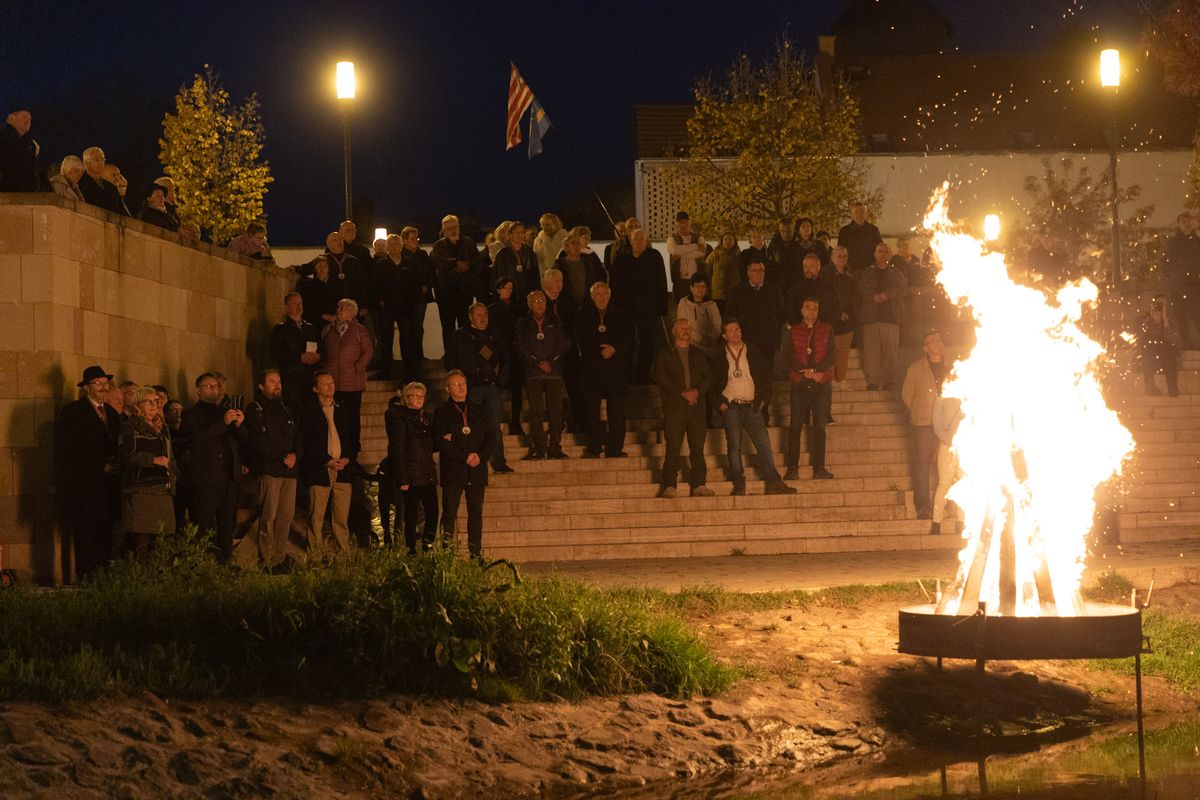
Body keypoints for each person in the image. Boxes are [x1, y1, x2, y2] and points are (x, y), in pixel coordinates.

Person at [711, 319, 796, 496]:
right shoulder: (718, 355)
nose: (736, 332)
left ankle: (774, 481)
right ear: (724, 335)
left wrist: (763, 399)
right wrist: (719, 403)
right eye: (732, 330)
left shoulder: (752, 351)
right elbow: (711, 383)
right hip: (731, 405)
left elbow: (765, 376)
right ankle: (739, 482)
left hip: (751, 405)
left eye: (738, 329)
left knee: (764, 443)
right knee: (734, 446)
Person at [55, 365, 121, 581]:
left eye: (106, 383)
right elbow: (70, 450)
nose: (103, 387)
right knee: (86, 532)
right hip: (86, 485)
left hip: (109, 486)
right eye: (98, 383)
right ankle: (86, 578)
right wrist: (99, 465)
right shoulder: (73, 412)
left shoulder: (111, 412)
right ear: (86, 388)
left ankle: (103, 576)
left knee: (106, 531)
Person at [181, 371, 248, 562]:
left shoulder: (224, 412)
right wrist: (223, 423)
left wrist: (239, 425)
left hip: (229, 478)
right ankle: (203, 564)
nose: (214, 390)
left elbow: (244, 440)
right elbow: (196, 438)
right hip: (207, 479)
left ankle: (225, 563)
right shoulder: (191, 414)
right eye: (208, 386)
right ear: (198, 391)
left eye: (216, 386)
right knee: (204, 525)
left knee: (228, 525)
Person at [444, 302, 513, 473]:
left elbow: (506, 360)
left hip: (491, 388)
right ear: (470, 316)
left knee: (494, 427)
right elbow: (450, 361)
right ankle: (471, 462)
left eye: (485, 315)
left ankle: (499, 462)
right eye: (479, 315)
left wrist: (500, 384)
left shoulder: (495, 336)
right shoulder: (459, 336)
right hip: (470, 389)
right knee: (470, 427)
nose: (483, 318)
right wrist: (459, 384)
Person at [433, 370, 495, 558]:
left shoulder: (479, 410)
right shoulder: (441, 412)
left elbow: (491, 437)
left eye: (464, 383)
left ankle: (475, 554)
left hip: (476, 469)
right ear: (447, 388)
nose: (461, 387)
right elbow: (440, 441)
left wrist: (481, 456)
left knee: (475, 513)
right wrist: (463, 456)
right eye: (456, 384)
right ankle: (446, 554)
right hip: (454, 470)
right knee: (449, 513)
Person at [244, 369, 300, 568]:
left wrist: (294, 455)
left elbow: (296, 437)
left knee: (286, 515)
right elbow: (259, 441)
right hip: (270, 469)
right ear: (261, 385)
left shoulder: (286, 408)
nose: (277, 384)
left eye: (279, 380)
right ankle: (267, 559)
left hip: (289, 471)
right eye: (272, 381)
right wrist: (280, 457)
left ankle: (280, 556)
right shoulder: (255, 408)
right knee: (269, 515)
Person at [653, 318, 714, 498]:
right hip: (675, 407)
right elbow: (661, 376)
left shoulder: (699, 354)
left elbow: (708, 378)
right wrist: (683, 392)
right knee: (673, 446)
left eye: (688, 327)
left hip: (696, 408)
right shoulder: (664, 354)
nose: (686, 330)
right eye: (682, 327)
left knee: (697, 447)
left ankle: (699, 484)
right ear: (674, 331)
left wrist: (696, 392)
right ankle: (670, 485)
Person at [116, 387, 178, 558]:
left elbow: (170, 456)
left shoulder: (162, 428)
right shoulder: (130, 427)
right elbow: (125, 455)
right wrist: (153, 460)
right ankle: (139, 576)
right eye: (148, 402)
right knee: (141, 537)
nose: (153, 405)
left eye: (156, 401)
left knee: (164, 537)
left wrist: (173, 474)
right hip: (141, 488)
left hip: (163, 488)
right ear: (137, 405)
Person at [300, 372, 356, 556]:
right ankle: (315, 554)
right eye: (325, 384)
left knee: (341, 517)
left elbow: (353, 439)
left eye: (332, 382)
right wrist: (326, 460)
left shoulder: (343, 410)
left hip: (343, 470)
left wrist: (347, 458)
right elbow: (306, 442)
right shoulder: (308, 412)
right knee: (316, 516)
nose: (330, 386)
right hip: (320, 470)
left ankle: (342, 553)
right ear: (315, 388)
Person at [576, 281, 631, 458]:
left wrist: (613, 348)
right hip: (593, 369)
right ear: (592, 297)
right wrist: (599, 351)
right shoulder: (583, 315)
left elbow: (628, 337)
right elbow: (580, 338)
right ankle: (594, 446)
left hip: (615, 370)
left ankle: (615, 447)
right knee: (592, 410)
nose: (602, 298)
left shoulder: (620, 315)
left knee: (617, 410)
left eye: (605, 294)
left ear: (610, 295)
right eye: (598, 294)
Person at [384, 381, 439, 552]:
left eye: (421, 396)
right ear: (406, 398)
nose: (419, 399)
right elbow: (397, 450)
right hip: (411, 475)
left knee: (433, 512)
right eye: (415, 395)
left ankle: (428, 546)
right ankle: (411, 549)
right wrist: (402, 478)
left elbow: (430, 445)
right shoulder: (401, 420)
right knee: (411, 514)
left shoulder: (425, 420)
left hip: (427, 473)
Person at [784, 298, 836, 480]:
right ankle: (792, 468)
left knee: (820, 427)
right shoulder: (794, 331)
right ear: (801, 310)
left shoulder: (827, 329)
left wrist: (816, 373)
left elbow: (831, 355)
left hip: (819, 382)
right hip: (800, 382)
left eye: (815, 308)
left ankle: (819, 468)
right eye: (808, 308)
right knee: (795, 426)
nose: (812, 311)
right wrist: (804, 372)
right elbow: (788, 357)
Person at [515, 290, 570, 459]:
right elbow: (520, 347)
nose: (540, 302)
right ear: (529, 304)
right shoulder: (523, 323)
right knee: (535, 412)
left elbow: (563, 344)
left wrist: (550, 362)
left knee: (556, 411)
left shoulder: (555, 320)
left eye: (542, 300)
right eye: (536, 300)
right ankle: (539, 448)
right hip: (533, 373)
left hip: (553, 373)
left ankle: (555, 447)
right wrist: (538, 362)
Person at [610, 228, 669, 384]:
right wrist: (615, 308)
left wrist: (662, 307)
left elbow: (662, 282)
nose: (639, 242)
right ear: (630, 240)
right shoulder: (622, 259)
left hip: (649, 307)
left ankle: (643, 374)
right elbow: (615, 284)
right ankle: (626, 373)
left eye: (642, 239)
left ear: (646, 241)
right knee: (626, 341)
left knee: (647, 342)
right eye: (636, 239)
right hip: (626, 308)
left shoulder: (654, 257)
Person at [901, 331, 948, 520]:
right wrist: (920, 412)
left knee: (949, 467)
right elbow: (907, 395)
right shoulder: (916, 368)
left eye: (940, 339)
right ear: (925, 348)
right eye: (933, 341)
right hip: (924, 424)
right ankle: (923, 506)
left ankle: (948, 505)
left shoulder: (951, 366)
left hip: (947, 426)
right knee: (922, 466)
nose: (938, 343)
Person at [320, 298, 373, 452]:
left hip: (352, 384)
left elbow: (368, 351)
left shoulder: (359, 330)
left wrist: (358, 366)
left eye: (342, 308)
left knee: (351, 418)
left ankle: (353, 449)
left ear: (351, 313)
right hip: (333, 382)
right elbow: (322, 349)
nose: (338, 310)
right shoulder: (328, 329)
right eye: (338, 307)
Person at [857, 242, 907, 390]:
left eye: (885, 251)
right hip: (870, 318)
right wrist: (872, 296)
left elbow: (902, 289)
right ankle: (873, 381)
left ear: (889, 254)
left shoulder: (897, 273)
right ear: (875, 254)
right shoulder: (866, 273)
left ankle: (889, 381)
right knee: (871, 352)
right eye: (880, 251)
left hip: (891, 319)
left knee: (890, 353)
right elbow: (860, 288)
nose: (883, 254)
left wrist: (887, 295)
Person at [542, 268, 584, 431]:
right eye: (556, 281)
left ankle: (580, 422)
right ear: (546, 282)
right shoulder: (540, 301)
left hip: (567, 352)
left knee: (575, 387)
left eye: (561, 281)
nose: (560, 284)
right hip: (547, 353)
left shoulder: (568, 301)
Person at [431, 214, 482, 348]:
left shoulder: (469, 243)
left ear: (459, 227)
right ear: (444, 230)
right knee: (447, 327)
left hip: (465, 293)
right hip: (446, 294)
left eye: (454, 227)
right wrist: (457, 265)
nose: (452, 230)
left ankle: (465, 358)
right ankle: (450, 359)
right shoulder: (439, 246)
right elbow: (439, 264)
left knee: (466, 327)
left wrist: (465, 267)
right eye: (448, 229)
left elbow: (477, 262)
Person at [725, 258, 785, 370]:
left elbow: (780, 314)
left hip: (767, 339)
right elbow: (730, 315)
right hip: (746, 339)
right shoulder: (737, 291)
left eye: (761, 270)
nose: (758, 273)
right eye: (754, 270)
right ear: (748, 272)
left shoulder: (774, 290)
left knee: (766, 371)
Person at [270, 291, 321, 410]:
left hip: (310, 376)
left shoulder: (310, 328)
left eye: (300, 303)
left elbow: (322, 349)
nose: (299, 306)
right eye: (295, 303)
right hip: (291, 378)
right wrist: (299, 357)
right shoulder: (281, 329)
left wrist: (318, 356)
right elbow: (274, 353)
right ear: (287, 307)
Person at [488, 276, 524, 435]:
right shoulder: (492, 309)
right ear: (498, 289)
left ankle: (516, 422)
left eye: (510, 288)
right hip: (500, 354)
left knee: (517, 390)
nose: (508, 291)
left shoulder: (518, 308)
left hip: (516, 353)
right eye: (505, 288)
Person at [399, 225, 437, 370]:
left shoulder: (422, 255)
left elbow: (431, 273)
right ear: (405, 240)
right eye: (413, 239)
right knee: (406, 328)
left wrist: (427, 285)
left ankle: (418, 354)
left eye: (417, 238)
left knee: (418, 327)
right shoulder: (401, 255)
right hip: (406, 298)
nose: (416, 241)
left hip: (421, 298)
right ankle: (408, 357)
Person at [1164, 212, 1200, 348]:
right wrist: (1173, 277)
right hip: (1178, 284)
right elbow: (1166, 262)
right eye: (1183, 222)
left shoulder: (1196, 241)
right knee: (1181, 316)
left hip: (1194, 284)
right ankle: (1186, 343)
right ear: (1179, 224)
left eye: (1188, 221)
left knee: (1197, 313)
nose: (1186, 224)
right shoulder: (1173, 242)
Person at [930, 393, 964, 536]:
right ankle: (937, 522)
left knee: (965, 484)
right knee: (944, 484)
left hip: (964, 447)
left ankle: (961, 521)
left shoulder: (970, 393)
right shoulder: (941, 397)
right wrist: (950, 441)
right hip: (947, 447)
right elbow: (936, 426)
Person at [826, 246, 859, 387]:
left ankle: (840, 379)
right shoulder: (826, 273)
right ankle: (830, 380)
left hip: (848, 320)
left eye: (844, 256)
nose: (842, 259)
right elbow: (827, 295)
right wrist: (838, 312)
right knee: (831, 351)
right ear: (832, 257)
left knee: (843, 352)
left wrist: (850, 314)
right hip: (833, 319)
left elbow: (854, 296)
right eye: (839, 256)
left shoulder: (849, 274)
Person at [493, 220, 540, 315]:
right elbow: (497, 277)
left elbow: (535, 275)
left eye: (522, 232)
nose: (520, 235)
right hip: (510, 296)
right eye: (517, 232)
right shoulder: (503, 254)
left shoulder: (530, 253)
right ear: (510, 235)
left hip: (527, 295)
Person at [1141, 293, 1182, 397]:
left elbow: (1175, 342)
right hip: (1152, 359)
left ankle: (1172, 390)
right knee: (1147, 343)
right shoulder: (1148, 321)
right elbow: (1142, 337)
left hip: (1168, 359)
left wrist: (1164, 319)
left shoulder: (1172, 323)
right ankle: (1150, 388)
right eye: (1157, 304)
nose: (1159, 307)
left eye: (1162, 305)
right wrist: (1151, 318)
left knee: (1169, 349)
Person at [554, 233, 607, 312]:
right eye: (573, 243)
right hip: (567, 307)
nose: (576, 246)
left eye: (578, 243)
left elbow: (601, 278)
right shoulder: (559, 266)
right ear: (566, 248)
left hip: (588, 306)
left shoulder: (590, 263)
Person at [676, 273, 722, 359]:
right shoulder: (684, 304)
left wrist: (711, 338)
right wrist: (701, 340)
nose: (701, 289)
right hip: (692, 346)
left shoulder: (712, 305)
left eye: (703, 286)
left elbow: (717, 325)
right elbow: (683, 326)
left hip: (711, 346)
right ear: (691, 288)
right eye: (698, 286)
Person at [324, 231, 369, 319]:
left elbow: (362, 283)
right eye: (335, 240)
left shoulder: (354, 260)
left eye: (341, 239)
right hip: (333, 306)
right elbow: (306, 269)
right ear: (328, 244)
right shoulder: (323, 260)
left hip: (353, 306)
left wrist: (364, 305)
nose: (339, 242)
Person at [667, 212, 705, 302]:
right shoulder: (672, 238)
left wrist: (681, 252)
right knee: (680, 310)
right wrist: (695, 246)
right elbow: (674, 250)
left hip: (696, 281)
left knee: (697, 308)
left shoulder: (699, 237)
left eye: (685, 222)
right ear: (676, 224)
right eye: (680, 222)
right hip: (679, 281)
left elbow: (702, 252)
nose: (683, 225)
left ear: (689, 223)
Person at [0, 106, 39, 191]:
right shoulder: (3, 140)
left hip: (27, 195)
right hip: (8, 194)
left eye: (30, 119)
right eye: (24, 117)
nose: (28, 121)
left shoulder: (30, 145)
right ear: (12, 118)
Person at [837, 201, 883, 272]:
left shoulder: (873, 230)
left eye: (862, 212)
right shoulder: (845, 231)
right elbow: (840, 252)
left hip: (870, 271)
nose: (859, 214)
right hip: (850, 271)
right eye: (856, 212)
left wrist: (873, 266)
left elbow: (880, 250)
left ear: (866, 214)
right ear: (852, 214)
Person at [298, 255, 343, 327]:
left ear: (328, 269)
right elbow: (307, 305)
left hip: (335, 320)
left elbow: (340, 301)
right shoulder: (308, 286)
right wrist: (322, 315)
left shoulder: (337, 284)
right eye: (319, 266)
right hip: (316, 322)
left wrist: (335, 315)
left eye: (324, 266)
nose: (322, 269)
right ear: (315, 269)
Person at [78, 147, 124, 215]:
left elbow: (121, 212)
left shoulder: (112, 188)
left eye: (103, 159)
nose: (101, 163)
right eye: (97, 160)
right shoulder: (79, 184)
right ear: (86, 163)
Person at [768, 218, 805, 295]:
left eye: (788, 231)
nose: (785, 234)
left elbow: (801, 271)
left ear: (793, 230)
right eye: (782, 231)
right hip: (777, 287)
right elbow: (769, 267)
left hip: (794, 287)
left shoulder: (800, 248)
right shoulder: (773, 247)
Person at [706, 230, 741, 304]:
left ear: (734, 242)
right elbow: (707, 274)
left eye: (730, 239)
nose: (728, 241)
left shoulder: (739, 257)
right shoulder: (714, 255)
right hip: (717, 295)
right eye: (725, 239)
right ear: (721, 241)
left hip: (733, 295)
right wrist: (707, 292)